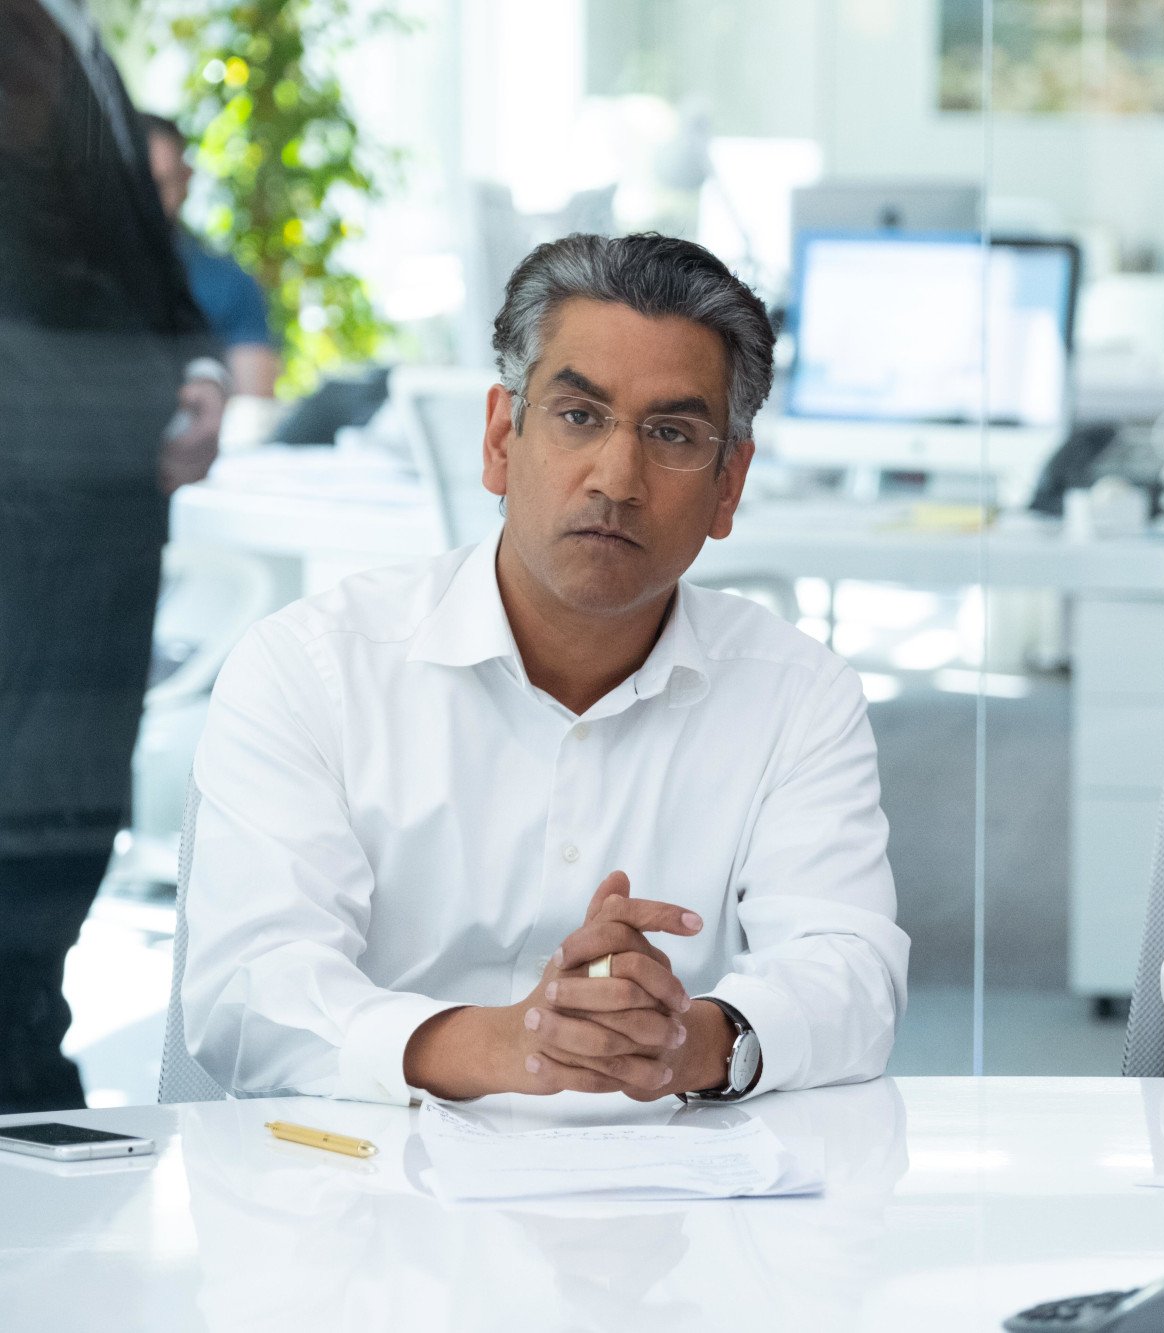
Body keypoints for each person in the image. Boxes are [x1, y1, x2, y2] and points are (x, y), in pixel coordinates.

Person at [181, 233, 909, 1104]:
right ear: (500, 436)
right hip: (374, 1203)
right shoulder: (310, 669)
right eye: (579, 416)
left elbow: (852, 971)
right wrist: (511, 1044)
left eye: (673, 433)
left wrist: (689, 1041)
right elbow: (249, 995)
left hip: (682, 1213)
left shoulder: (798, 694)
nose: (617, 476)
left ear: (728, 485)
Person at [0, 0, 224, 1112]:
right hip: (39, 489)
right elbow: (38, 273)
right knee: (36, 800)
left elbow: (140, 257)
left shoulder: (72, 29)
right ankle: (24, 1075)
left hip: (98, 491)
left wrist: (200, 372)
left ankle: (32, 1062)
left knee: (73, 796)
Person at [140, 112, 280, 398]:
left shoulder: (227, 282)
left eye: (162, 185)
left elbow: (253, 407)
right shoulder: (70, 275)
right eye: (137, 186)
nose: (148, 203)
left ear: (186, 179)